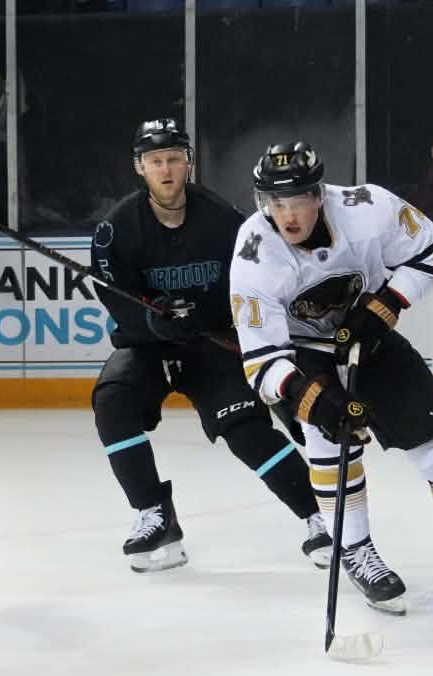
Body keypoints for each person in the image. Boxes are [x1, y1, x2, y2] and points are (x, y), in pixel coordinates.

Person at [228, 140, 433, 615]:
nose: (288, 215)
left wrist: (384, 306)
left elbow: (432, 252)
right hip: (302, 354)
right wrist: (313, 401)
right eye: (276, 203)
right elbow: (261, 360)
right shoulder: (254, 253)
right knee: (332, 448)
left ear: (318, 195)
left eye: (297, 201)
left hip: (369, 340)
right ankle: (355, 551)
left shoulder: (367, 208)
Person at [91, 119, 329, 573]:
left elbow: (252, 284)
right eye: (155, 161)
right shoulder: (115, 229)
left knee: (245, 429)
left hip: (210, 343)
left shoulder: (225, 221)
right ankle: (155, 514)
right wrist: (154, 318)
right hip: (148, 347)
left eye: (173, 159)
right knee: (112, 401)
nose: (165, 169)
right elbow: (115, 298)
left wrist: (209, 318)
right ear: (140, 167)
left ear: (189, 163)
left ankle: (320, 515)